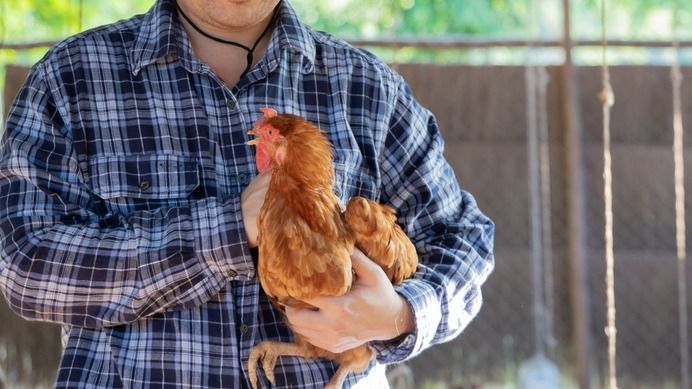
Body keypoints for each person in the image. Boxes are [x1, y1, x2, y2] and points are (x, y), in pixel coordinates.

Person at [0, 0, 495, 387]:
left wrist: (399, 314)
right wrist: (229, 229)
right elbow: (22, 264)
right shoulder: (72, 79)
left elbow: (463, 241)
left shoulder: (365, 87)